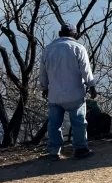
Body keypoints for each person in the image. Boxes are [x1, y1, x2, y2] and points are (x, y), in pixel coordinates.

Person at [39, 23, 96, 160]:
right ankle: (80, 149)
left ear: (60, 34)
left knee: (54, 124)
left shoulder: (48, 49)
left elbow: (43, 72)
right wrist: (92, 86)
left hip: (55, 95)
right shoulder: (78, 48)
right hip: (74, 93)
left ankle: (53, 152)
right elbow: (86, 70)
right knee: (78, 123)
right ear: (75, 35)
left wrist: (44, 88)